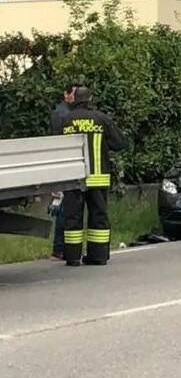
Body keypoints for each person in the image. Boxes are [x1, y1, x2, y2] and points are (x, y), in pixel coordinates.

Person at [58, 87, 127, 266]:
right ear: (90, 100)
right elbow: (119, 143)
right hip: (98, 176)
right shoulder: (102, 118)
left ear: (74, 100)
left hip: (73, 177)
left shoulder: (65, 120)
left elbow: (55, 145)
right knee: (98, 215)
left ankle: (72, 257)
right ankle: (98, 256)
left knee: (72, 216)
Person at [49, 82, 79, 260]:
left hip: (69, 164)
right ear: (66, 94)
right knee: (64, 208)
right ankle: (59, 247)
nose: (76, 98)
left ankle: (64, 246)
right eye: (74, 94)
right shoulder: (62, 113)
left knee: (67, 207)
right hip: (64, 165)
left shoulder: (67, 112)